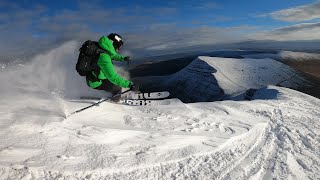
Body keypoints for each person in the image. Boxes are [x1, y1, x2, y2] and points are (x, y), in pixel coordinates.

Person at [85, 33, 139, 101]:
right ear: (114, 44)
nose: (118, 50)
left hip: (93, 76)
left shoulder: (102, 47)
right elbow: (113, 78)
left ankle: (113, 96)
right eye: (118, 47)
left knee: (114, 81)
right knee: (117, 88)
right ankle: (114, 104)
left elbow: (112, 55)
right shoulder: (104, 57)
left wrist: (123, 58)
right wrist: (130, 85)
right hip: (95, 82)